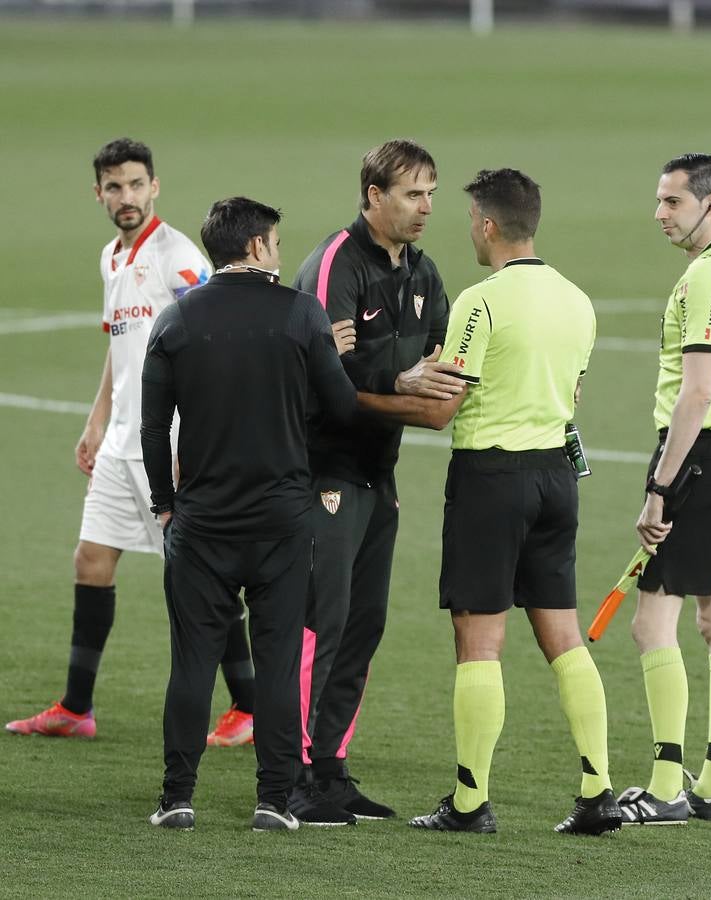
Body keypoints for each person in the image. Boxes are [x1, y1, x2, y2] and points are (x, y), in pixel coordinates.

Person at [360, 168, 622, 836]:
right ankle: (598, 792)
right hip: (555, 479)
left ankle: (471, 802)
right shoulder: (578, 301)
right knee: (563, 636)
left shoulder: (480, 302)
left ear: (485, 222)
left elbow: (444, 407)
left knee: (478, 640)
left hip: (491, 481)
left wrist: (361, 395)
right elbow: (575, 398)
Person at [5, 138, 255, 745]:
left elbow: (216, 331)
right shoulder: (111, 259)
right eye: (113, 187)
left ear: (155, 187)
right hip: (120, 443)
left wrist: (194, 434)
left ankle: (250, 707)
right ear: (99, 193)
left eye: (136, 184)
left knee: (201, 572)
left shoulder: (176, 257)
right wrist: (96, 421)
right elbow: (120, 350)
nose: (126, 197)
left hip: (167, 442)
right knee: (91, 561)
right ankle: (76, 707)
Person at [141, 196, 358, 831]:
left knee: (191, 665)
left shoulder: (177, 320)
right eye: (277, 244)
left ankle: (177, 798)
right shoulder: (300, 314)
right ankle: (273, 801)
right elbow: (342, 410)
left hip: (202, 525)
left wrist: (164, 505)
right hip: (282, 524)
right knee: (279, 659)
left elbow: (154, 430)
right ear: (259, 247)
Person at [288, 138, 462, 825]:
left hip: (375, 474)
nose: (424, 208)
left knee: (364, 624)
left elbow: (447, 365)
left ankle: (330, 769)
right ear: (372, 196)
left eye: (431, 195)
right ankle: (295, 774)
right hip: (319, 471)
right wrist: (402, 382)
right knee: (316, 624)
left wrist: (419, 387)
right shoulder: (337, 265)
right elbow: (329, 380)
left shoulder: (423, 275)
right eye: (412, 194)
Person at [615, 153, 711, 826]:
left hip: (699, 458)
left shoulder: (708, 281)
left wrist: (661, 485)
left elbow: (699, 390)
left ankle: (665, 786)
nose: (659, 213)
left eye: (673, 202)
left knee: (653, 621)